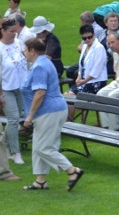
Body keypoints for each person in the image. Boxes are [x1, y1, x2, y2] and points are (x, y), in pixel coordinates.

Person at [20, 38, 85, 191]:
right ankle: (40, 181)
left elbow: (40, 93)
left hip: (49, 111)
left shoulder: (39, 67)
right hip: (52, 110)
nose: (24, 52)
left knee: (44, 148)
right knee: (38, 146)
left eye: (25, 49)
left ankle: (72, 170)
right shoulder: (43, 62)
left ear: (32, 51)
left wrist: (29, 116)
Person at [0, 18, 27, 165]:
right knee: (14, 119)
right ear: (3, 31)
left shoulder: (17, 42)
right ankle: (15, 153)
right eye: (11, 32)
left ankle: (4, 145)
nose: (14, 34)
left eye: (16, 31)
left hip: (21, 87)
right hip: (6, 89)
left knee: (22, 117)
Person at [66, 24, 108, 96]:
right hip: (85, 81)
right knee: (66, 96)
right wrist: (78, 78)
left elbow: (96, 71)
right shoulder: (85, 47)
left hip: (96, 81)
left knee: (69, 95)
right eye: (84, 38)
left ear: (94, 35)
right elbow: (82, 65)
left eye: (89, 37)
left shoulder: (99, 48)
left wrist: (84, 81)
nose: (87, 40)